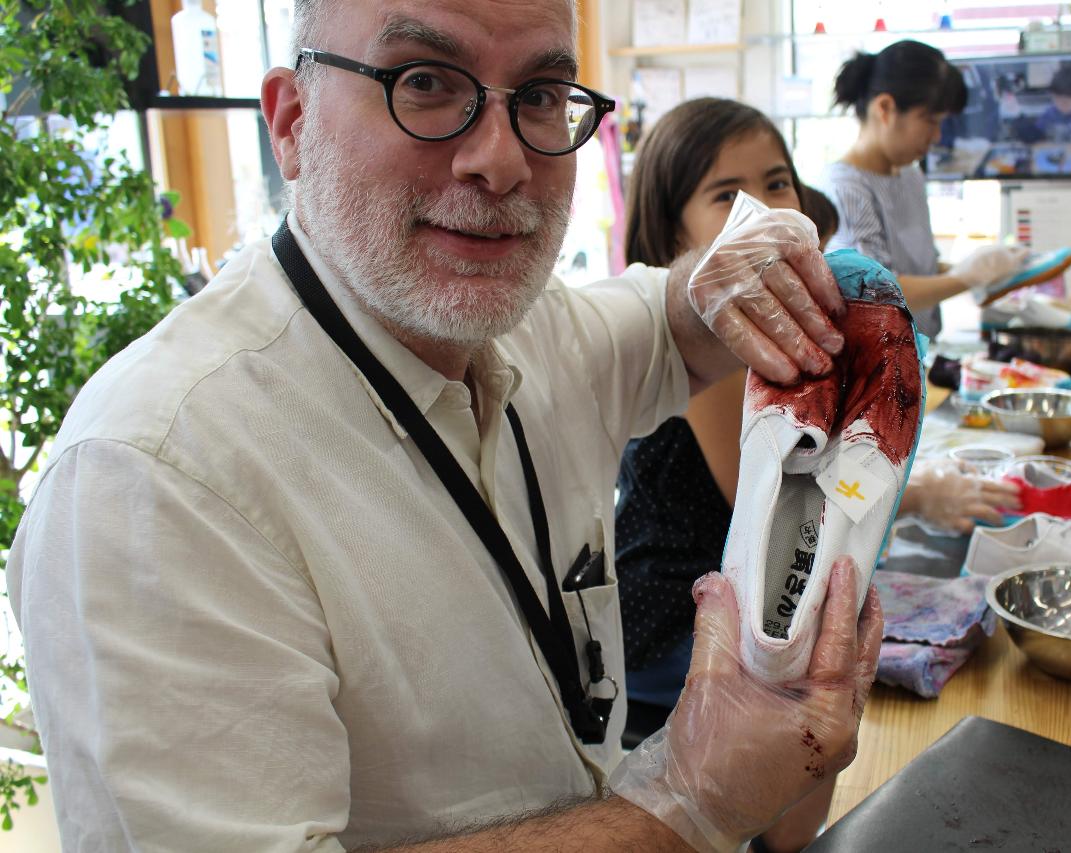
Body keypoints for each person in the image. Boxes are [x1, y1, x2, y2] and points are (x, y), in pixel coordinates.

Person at [5, 3, 883, 852]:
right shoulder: (157, 475)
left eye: (539, 96)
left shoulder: (526, 331)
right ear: (291, 120)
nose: (499, 162)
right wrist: (685, 801)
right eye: (425, 81)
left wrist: (734, 275)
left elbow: (674, 318)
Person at [616, 98, 1018, 715]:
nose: (766, 206)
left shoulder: (770, 330)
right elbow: (751, 491)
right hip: (669, 622)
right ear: (674, 231)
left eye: (778, 182)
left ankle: (781, 645)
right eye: (728, 194)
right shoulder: (713, 352)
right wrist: (920, 494)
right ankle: (771, 655)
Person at [818, 40, 1030, 340]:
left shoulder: (910, 175)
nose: (937, 135)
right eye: (930, 120)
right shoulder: (846, 188)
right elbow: (875, 293)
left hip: (919, 351)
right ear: (886, 108)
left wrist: (985, 268)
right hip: (878, 364)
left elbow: (920, 268)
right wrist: (966, 276)